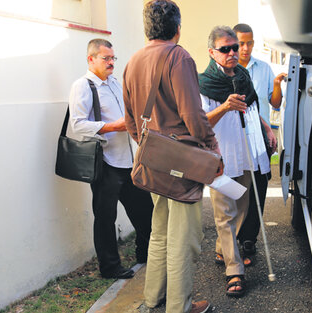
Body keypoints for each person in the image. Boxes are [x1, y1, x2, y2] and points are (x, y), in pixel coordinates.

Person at [123, 1, 221, 313]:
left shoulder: (132, 61)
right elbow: (193, 114)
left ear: (146, 28)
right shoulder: (178, 57)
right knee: (184, 240)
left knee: (160, 234)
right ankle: (179, 307)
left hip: (154, 160)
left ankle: (153, 300)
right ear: (177, 28)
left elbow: (130, 122)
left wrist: (152, 146)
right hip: (182, 163)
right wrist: (212, 148)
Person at [198, 25, 274, 297]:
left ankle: (222, 248)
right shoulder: (204, 83)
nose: (232, 53)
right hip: (221, 156)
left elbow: (251, 106)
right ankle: (234, 270)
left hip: (246, 153)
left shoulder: (242, 76)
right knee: (224, 214)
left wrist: (266, 127)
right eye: (225, 49)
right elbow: (199, 122)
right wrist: (224, 106)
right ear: (212, 52)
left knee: (242, 207)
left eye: (234, 47)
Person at [68, 38, 153, 279]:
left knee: (144, 210)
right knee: (106, 217)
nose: (111, 62)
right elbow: (78, 125)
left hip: (129, 160)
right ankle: (109, 267)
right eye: (106, 58)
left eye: (113, 58)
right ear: (91, 59)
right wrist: (113, 126)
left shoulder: (116, 83)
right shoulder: (83, 86)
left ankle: (145, 252)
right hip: (105, 162)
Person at [233, 23, 286, 259]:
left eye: (249, 42)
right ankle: (231, 238)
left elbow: (274, 103)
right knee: (235, 189)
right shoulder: (227, 69)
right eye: (241, 43)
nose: (245, 48)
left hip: (261, 138)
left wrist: (276, 86)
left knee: (258, 189)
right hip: (235, 139)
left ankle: (249, 239)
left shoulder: (263, 68)